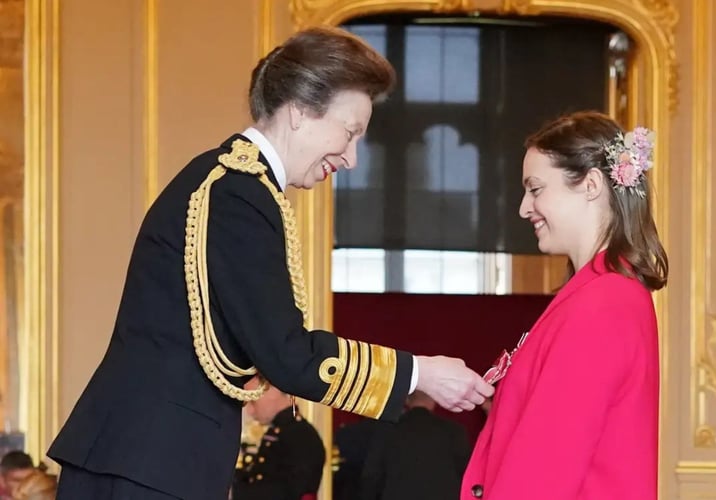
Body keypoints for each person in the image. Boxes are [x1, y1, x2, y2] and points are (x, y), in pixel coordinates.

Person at [48, 26, 493, 500]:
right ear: (300, 110)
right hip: (151, 464)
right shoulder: (240, 192)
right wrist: (419, 373)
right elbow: (286, 353)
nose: (351, 158)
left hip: (147, 458)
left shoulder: (232, 182)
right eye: (349, 132)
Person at [462, 111, 668, 500]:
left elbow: (544, 470)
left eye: (535, 189)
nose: (524, 208)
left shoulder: (604, 303)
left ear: (591, 184)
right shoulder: (599, 294)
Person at [360, 391, 470, 500]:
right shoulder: (454, 431)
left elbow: (371, 477)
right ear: (434, 399)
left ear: (406, 400)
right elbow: (467, 475)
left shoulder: (386, 430)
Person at [232, 383, 325, 500]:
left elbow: (287, 491)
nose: (250, 411)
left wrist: (235, 493)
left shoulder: (301, 435)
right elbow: (257, 475)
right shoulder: (281, 430)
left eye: (252, 401)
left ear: (272, 391)